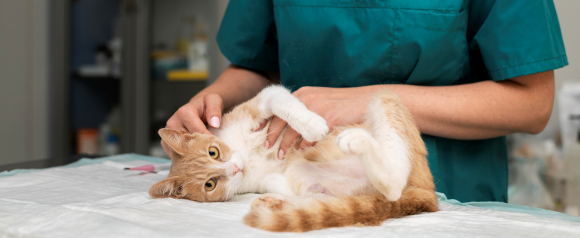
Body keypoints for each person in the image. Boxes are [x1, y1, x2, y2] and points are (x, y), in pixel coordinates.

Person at [163, 0, 567, 203]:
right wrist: (206, 106)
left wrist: (367, 101)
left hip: (435, 191)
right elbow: (257, 66)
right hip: (304, 188)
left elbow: (532, 103)